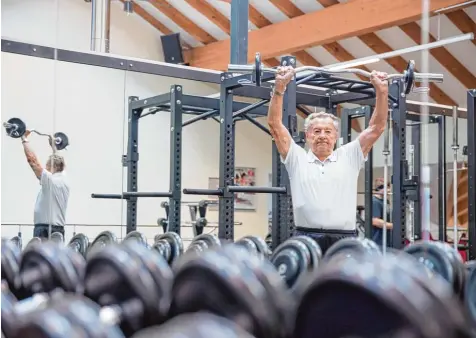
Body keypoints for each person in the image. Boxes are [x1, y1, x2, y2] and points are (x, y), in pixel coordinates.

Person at [267, 66, 389, 254]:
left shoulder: (350, 155)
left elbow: (377, 127)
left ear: (336, 136)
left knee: (341, 284)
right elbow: (275, 125)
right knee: (306, 284)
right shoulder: (296, 158)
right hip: (306, 237)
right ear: (307, 135)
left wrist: (381, 92)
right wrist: (279, 88)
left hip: (344, 238)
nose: (322, 136)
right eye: (316, 131)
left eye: (327, 131)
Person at [21, 130, 70, 238]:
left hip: (45, 230)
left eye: (47, 166)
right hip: (58, 230)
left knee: (41, 255)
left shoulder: (50, 181)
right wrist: (54, 147)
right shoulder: (64, 178)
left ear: (54, 167)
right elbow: (60, 161)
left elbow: (32, 161)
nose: (45, 169)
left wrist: (24, 138)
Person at [371, 178, 393, 247]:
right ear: (379, 189)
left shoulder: (386, 201)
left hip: (386, 239)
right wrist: (394, 226)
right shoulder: (374, 202)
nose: (389, 190)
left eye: (389, 188)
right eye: (387, 188)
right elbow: (375, 221)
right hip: (378, 241)